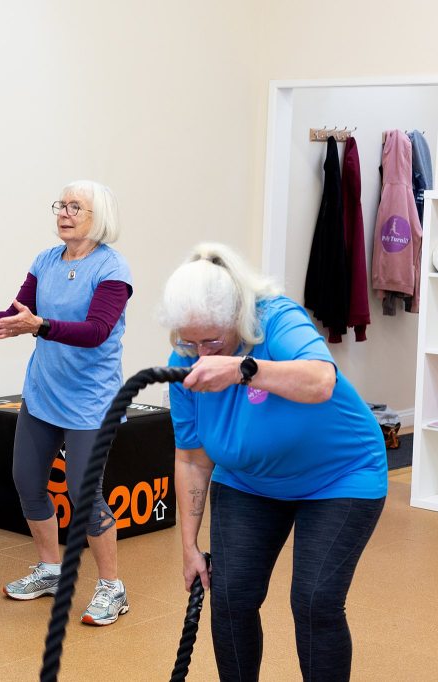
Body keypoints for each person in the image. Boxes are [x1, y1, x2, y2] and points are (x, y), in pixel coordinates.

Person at [159, 242, 387, 681]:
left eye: (212, 341)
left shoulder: (276, 319)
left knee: (315, 601)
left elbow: (321, 379)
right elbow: (192, 458)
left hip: (340, 474)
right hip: (248, 479)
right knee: (230, 597)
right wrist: (188, 546)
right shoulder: (185, 362)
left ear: (237, 317)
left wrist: (243, 368)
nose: (202, 354)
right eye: (190, 341)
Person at [0, 180, 133, 625]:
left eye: (75, 207)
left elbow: (96, 331)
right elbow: (20, 318)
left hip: (91, 400)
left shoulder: (112, 269)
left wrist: (40, 326)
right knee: (27, 482)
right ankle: (50, 570)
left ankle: (112, 588)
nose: (64, 213)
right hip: (44, 392)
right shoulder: (45, 261)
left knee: (84, 493)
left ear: (99, 217)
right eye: (61, 205)